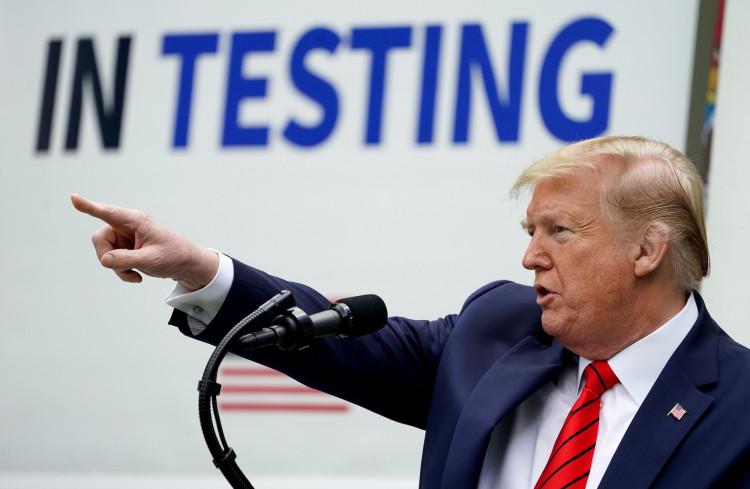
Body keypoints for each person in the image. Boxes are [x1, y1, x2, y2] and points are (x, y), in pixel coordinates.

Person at [72, 136, 750, 489]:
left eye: (560, 233)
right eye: (528, 232)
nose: (530, 259)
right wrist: (197, 266)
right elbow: (343, 342)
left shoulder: (740, 405)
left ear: (647, 249)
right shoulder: (499, 331)